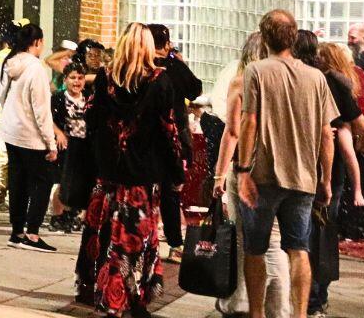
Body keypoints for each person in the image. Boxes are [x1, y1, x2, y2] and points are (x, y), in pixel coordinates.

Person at [74, 22, 184, 317]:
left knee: (105, 233)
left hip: (109, 170)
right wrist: (177, 173)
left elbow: (92, 117)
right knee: (136, 238)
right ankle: (130, 298)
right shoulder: (160, 82)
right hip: (143, 174)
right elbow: (168, 131)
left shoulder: (105, 78)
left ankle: (99, 289)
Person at [236, 10, 337, 318]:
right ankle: (301, 314)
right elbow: (326, 135)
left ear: (264, 36)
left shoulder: (257, 71)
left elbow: (249, 121)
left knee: (255, 248)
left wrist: (242, 171)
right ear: (293, 37)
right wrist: (326, 180)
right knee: (299, 249)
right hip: (303, 177)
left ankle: (256, 313)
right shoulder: (316, 77)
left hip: (263, 176)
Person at [213, 32, 291, 318]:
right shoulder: (286, 82)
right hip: (281, 170)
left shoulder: (242, 81)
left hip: (247, 169)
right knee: (276, 242)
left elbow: (232, 132)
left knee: (244, 239)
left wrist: (218, 175)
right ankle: (279, 305)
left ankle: (240, 301)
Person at [299, 35, 364, 317]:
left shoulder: (294, 79)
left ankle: (298, 299)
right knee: (321, 235)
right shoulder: (332, 82)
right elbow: (361, 124)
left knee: (297, 238)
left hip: (297, 168)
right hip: (329, 171)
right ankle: (315, 299)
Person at [0, 24, 59, 252]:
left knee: (18, 182)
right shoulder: (36, 69)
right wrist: (50, 143)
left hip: (11, 130)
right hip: (31, 135)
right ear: (37, 42)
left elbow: (3, 95)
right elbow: (41, 110)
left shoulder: (10, 63)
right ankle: (32, 233)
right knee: (42, 182)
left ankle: (17, 231)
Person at [148, 24, 202, 263]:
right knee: (170, 192)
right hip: (173, 136)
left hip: (146, 136)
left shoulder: (141, 66)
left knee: (144, 189)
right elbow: (195, 89)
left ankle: (142, 238)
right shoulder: (173, 67)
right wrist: (179, 62)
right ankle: (175, 244)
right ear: (167, 44)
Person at [338, 42, 364, 241]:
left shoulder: (338, 78)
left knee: (346, 178)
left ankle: (348, 226)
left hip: (351, 126)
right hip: (363, 128)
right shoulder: (359, 73)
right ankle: (360, 225)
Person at [48, 61, 88, 233]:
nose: (76, 82)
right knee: (62, 181)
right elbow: (47, 118)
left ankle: (74, 214)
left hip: (83, 143)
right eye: (72, 78)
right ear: (65, 80)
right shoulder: (58, 98)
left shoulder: (88, 98)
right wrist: (58, 133)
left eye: (80, 78)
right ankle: (58, 215)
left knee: (80, 182)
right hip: (65, 143)